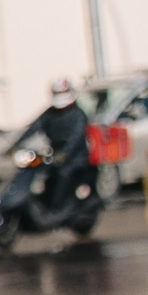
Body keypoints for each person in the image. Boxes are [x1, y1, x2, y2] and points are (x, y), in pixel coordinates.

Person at [29, 77, 94, 218]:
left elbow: (76, 138)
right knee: (38, 173)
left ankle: (57, 209)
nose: (60, 97)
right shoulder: (49, 114)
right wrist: (14, 144)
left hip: (76, 159)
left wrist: (65, 153)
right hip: (54, 157)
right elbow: (33, 128)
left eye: (62, 93)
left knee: (62, 174)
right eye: (58, 93)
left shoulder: (77, 114)